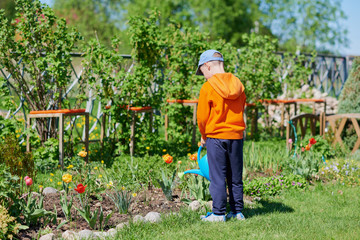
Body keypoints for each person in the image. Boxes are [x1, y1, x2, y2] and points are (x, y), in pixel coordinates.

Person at [196, 49, 246, 222]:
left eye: (202, 72)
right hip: (237, 136)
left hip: (216, 137)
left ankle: (218, 214)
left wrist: (204, 134)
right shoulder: (238, 84)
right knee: (235, 176)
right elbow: (241, 108)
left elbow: (202, 117)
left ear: (208, 66)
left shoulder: (208, 87)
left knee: (218, 176)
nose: (204, 76)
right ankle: (237, 211)